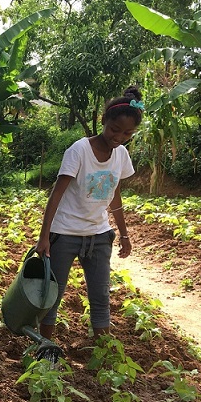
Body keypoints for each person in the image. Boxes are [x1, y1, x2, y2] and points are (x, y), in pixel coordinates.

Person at [34, 86, 143, 350]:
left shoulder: (121, 155)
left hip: (99, 235)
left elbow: (115, 195)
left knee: (100, 296)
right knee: (52, 296)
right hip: (65, 234)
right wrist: (44, 237)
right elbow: (56, 194)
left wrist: (124, 234)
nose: (119, 137)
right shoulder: (79, 150)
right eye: (115, 129)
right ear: (104, 120)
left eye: (127, 134)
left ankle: (102, 352)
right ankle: (44, 350)